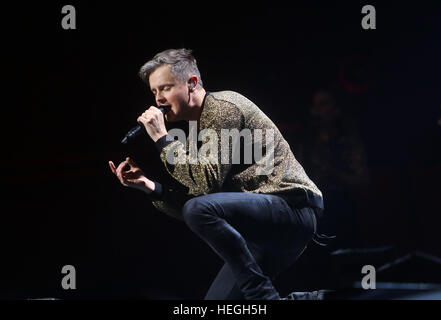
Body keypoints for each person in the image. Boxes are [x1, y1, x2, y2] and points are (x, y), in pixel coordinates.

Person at [109, 48, 326, 300]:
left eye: (165, 88)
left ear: (191, 83)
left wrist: (161, 137)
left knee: (200, 210)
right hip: (257, 228)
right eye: (154, 92)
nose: (158, 99)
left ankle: (261, 294)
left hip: (291, 208)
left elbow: (205, 186)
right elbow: (195, 204)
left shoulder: (223, 107)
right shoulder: (195, 134)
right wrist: (150, 187)